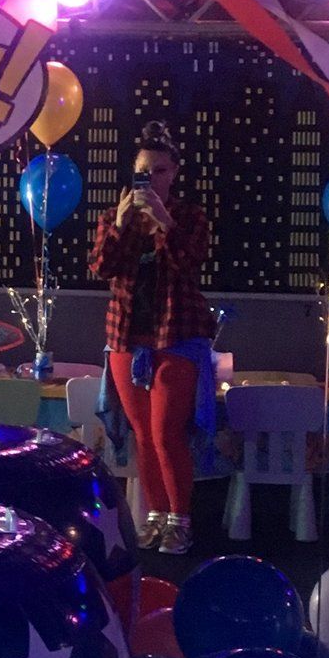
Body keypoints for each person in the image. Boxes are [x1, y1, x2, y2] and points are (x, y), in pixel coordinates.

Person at [90, 121, 217, 557]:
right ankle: (155, 516)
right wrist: (121, 223)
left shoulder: (190, 217)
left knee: (166, 432)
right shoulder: (114, 216)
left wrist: (164, 222)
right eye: (144, 172)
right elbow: (102, 267)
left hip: (175, 334)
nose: (152, 179)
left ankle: (180, 521)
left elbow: (190, 262)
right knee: (143, 434)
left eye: (160, 171)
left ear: (175, 172)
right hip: (126, 337)